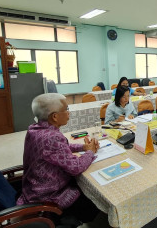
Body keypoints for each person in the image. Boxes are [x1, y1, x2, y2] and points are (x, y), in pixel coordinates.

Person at [17, 93, 99, 224]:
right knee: (94, 197)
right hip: (48, 197)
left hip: (32, 188)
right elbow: (76, 168)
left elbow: (60, 148)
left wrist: (83, 147)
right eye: (66, 109)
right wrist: (90, 152)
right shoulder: (52, 137)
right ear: (54, 116)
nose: (68, 113)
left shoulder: (35, 128)